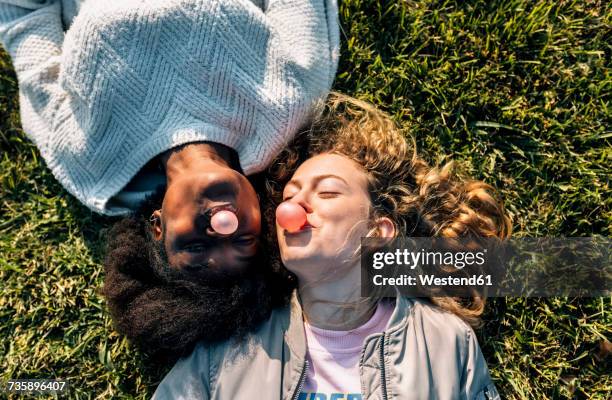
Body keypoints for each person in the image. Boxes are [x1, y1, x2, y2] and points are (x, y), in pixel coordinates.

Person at [0, 0, 339, 358]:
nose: (223, 226)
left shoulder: (87, 159)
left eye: (194, 248)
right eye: (243, 239)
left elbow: (24, 19)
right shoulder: (289, 105)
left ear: (158, 228)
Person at [152, 93, 512, 399]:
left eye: (327, 192)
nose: (295, 206)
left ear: (378, 231)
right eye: (290, 195)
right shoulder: (231, 345)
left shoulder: (445, 342)